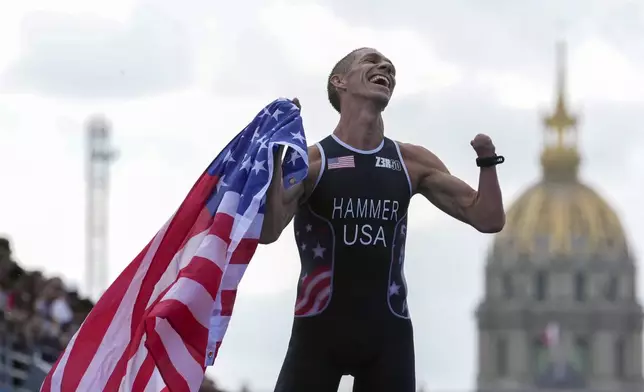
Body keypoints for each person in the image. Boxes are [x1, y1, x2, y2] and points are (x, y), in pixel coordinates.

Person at [260, 47, 506, 392]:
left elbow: (488, 218)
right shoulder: (312, 161)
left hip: (388, 336)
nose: (385, 67)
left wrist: (488, 162)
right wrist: (275, 160)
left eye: (389, 67)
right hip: (319, 333)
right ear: (339, 82)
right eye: (371, 62)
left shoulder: (411, 161)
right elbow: (268, 230)